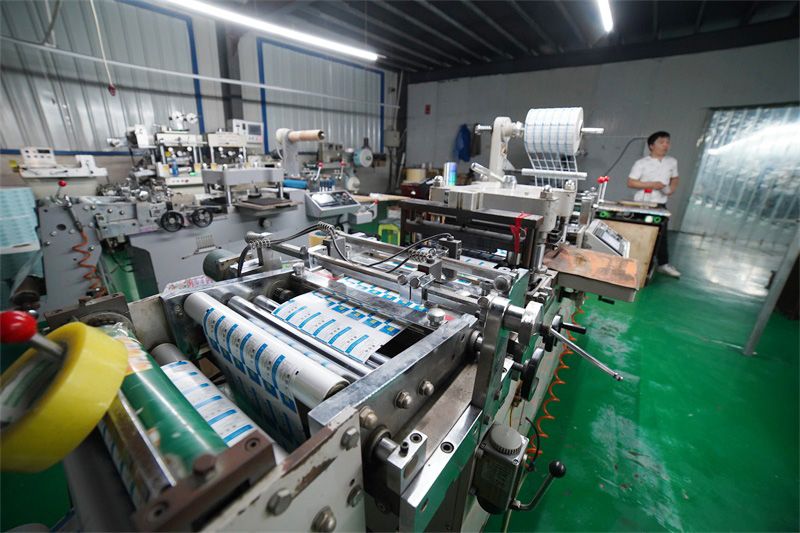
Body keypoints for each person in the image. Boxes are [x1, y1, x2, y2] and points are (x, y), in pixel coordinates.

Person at [627, 131, 681, 278]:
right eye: (661, 142)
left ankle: (663, 264)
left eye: (667, 142)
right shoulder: (642, 163)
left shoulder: (672, 162)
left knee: (661, 235)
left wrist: (672, 188)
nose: (665, 145)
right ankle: (633, 260)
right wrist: (652, 184)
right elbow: (631, 182)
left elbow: (675, 178)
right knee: (638, 232)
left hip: (660, 203)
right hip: (642, 203)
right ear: (652, 145)